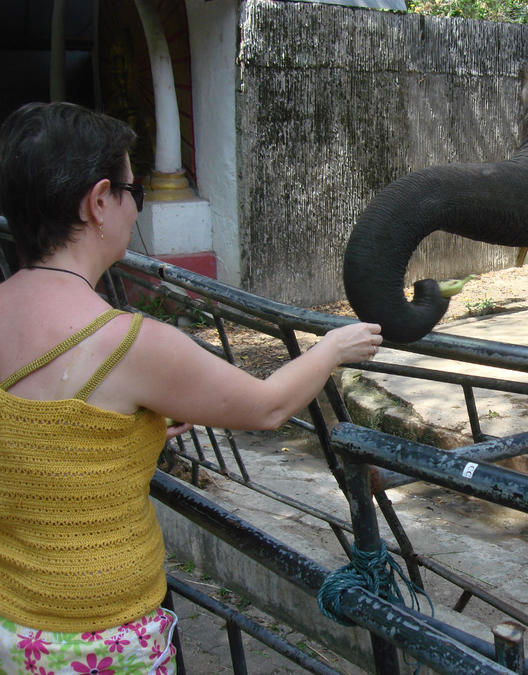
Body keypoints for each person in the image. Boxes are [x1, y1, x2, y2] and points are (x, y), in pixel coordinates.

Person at [0, 101, 382, 674]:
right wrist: (331, 349)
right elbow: (268, 406)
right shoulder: (130, 344)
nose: (134, 210)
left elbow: (49, 444)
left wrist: (139, 427)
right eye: (136, 193)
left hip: (14, 622)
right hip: (104, 638)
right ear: (99, 201)